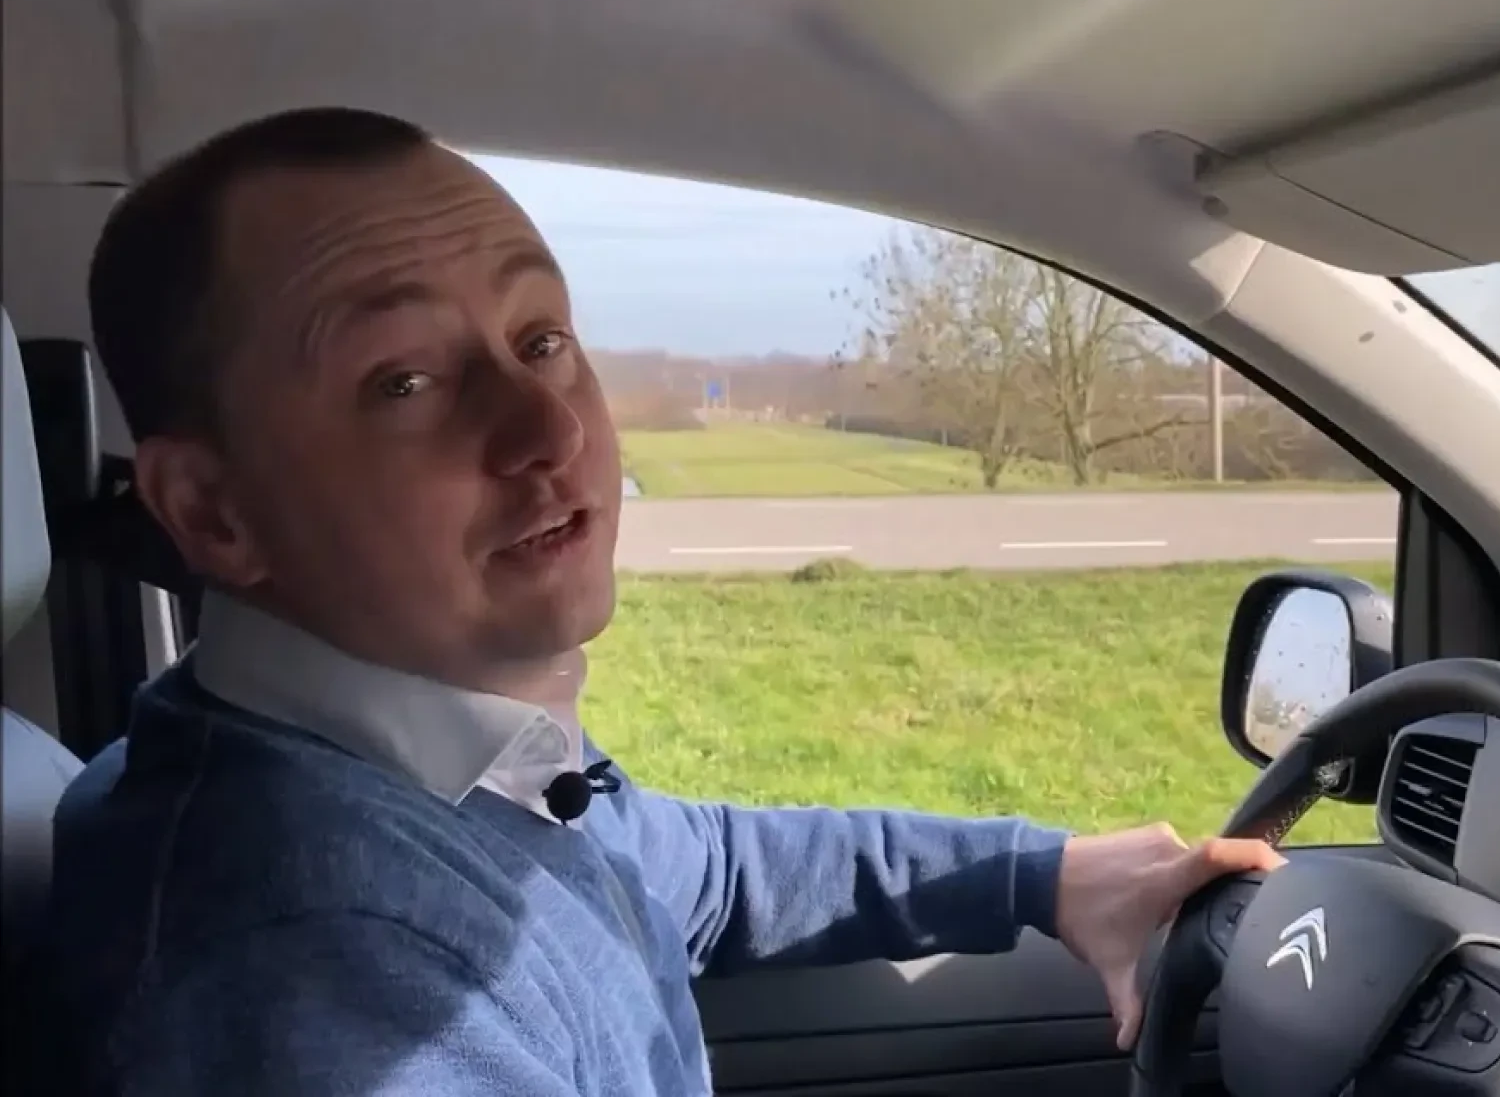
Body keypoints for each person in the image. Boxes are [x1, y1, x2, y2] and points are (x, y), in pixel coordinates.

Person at [49, 108, 1281, 1095]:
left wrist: (1040, 873)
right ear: (215, 512)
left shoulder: (436, 768)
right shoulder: (313, 970)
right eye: (406, 380)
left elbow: (703, 868)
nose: (549, 428)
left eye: (540, 339)